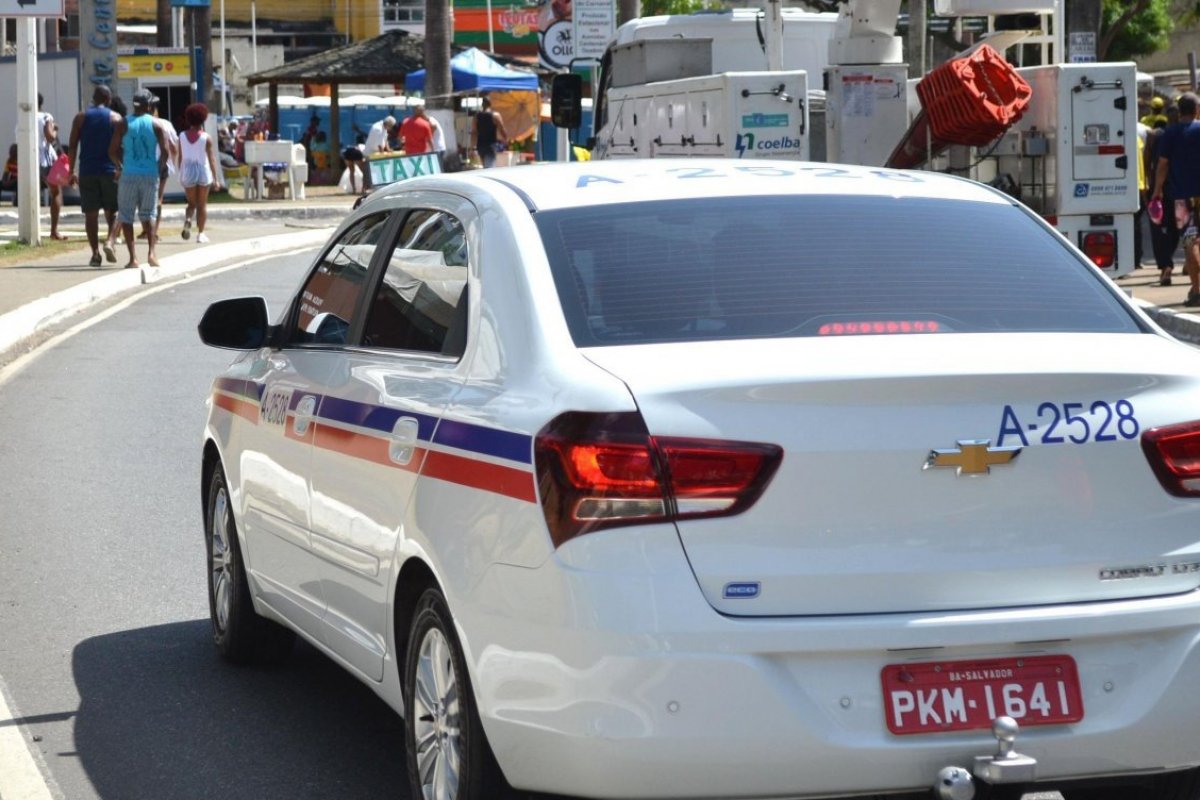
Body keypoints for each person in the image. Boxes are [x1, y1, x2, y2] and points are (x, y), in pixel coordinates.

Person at [108, 88, 167, 269]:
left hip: (129, 175)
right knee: (149, 214)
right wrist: (158, 168)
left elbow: (112, 151)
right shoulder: (156, 124)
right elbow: (165, 152)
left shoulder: (123, 123)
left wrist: (120, 166)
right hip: (150, 175)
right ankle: (152, 254)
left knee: (126, 215)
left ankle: (133, 258)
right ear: (148, 105)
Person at [1151, 92, 1200, 306]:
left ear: (1179, 112)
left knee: (1191, 242)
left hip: (1183, 199)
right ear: (1197, 110)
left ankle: (1197, 291)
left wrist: (1156, 191)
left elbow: (1162, 165)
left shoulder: (1170, 133)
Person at [67, 85, 121, 267]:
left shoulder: (80, 117)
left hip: (87, 171)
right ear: (108, 99)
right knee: (115, 210)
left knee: (91, 215)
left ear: (94, 98)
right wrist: (121, 167)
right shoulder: (115, 118)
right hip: (110, 171)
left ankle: (95, 254)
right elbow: (121, 146)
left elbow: (72, 146)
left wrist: (71, 171)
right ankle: (110, 241)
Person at [15, 94, 64, 239]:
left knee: (28, 192)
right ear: (41, 103)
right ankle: (54, 231)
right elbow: (50, 137)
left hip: (27, 159)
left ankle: (26, 230)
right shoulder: (46, 117)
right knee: (55, 192)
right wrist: (55, 129)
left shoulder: (22, 119)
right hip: (44, 161)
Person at [178, 102, 222, 244]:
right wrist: (215, 179)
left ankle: (188, 219)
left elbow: (180, 157)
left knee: (191, 204)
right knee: (202, 205)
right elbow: (211, 159)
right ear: (203, 118)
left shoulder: (182, 136)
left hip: (188, 170)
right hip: (202, 171)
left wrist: (181, 172)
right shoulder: (206, 138)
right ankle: (201, 234)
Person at [148, 95, 179, 246]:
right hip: (161, 163)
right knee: (158, 199)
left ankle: (146, 230)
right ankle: (154, 231)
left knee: (141, 199)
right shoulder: (165, 124)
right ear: (155, 109)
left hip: (141, 165)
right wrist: (173, 163)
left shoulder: (136, 122)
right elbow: (173, 147)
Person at [473, 97, 509, 168]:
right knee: (489, 168)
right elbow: (502, 129)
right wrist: (506, 139)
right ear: (490, 104)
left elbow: (474, 132)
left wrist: (472, 147)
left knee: (485, 166)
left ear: (482, 104)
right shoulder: (495, 115)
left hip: (480, 145)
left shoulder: (477, 116)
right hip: (491, 145)